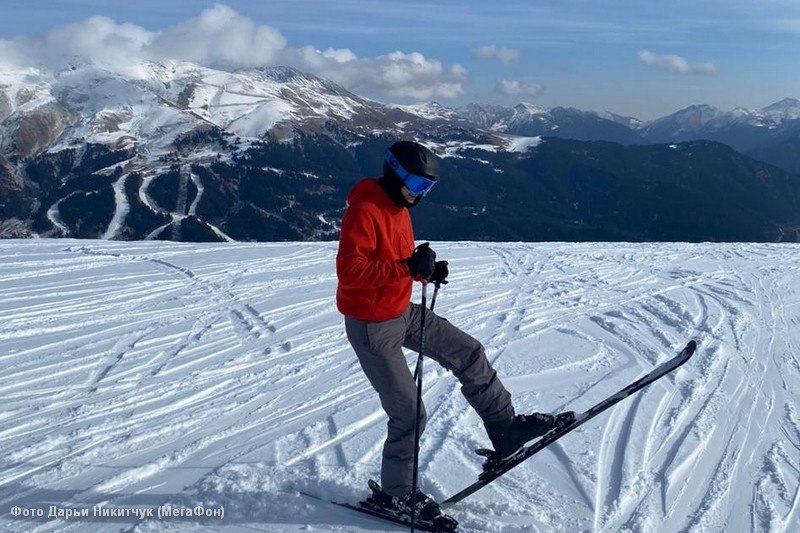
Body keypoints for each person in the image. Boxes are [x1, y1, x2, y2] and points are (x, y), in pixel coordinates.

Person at [336, 140, 573, 521]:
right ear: (394, 173)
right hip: (371, 326)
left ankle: (505, 429)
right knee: (410, 414)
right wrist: (407, 268)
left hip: (402, 311)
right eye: (415, 184)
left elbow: (397, 260)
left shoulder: (398, 205)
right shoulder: (364, 210)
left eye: (426, 188)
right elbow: (350, 272)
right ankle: (397, 494)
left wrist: (424, 268)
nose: (419, 194)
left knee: (469, 352)